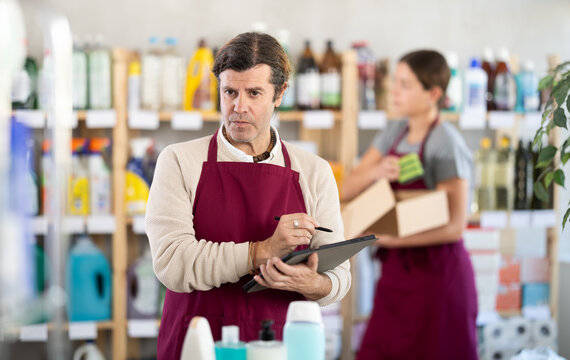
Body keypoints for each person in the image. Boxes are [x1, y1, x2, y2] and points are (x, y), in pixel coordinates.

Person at [145, 32, 350, 359]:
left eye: (254, 93)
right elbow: (173, 263)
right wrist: (260, 252)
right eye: (230, 92)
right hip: (199, 343)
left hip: (281, 345)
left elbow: (338, 275)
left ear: (280, 94)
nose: (239, 107)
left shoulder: (314, 172)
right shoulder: (179, 161)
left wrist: (315, 285)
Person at [342, 50, 478, 359]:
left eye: (405, 84)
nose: (394, 91)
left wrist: (391, 239)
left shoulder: (446, 142)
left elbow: (455, 227)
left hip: (438, 277)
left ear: (433, 94)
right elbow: (347, 187)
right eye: (394, 82)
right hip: (396, 276)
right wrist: (377, 171)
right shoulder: (394, 132)